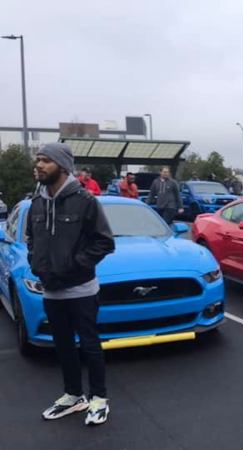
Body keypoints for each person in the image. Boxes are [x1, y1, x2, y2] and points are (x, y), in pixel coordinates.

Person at [27, 143, 115, 425]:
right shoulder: (36, 203)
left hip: (81, 289)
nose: (38, 165)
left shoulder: (86, 201)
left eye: (45, 160)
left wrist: (71, 265)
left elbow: (104, 242)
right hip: (51, 289)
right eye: (38, 160)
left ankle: (99, 399)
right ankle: (73, 396)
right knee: (63, 345)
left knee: (90, 345)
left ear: (62, 166)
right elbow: (32, 240)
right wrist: (37, 265)